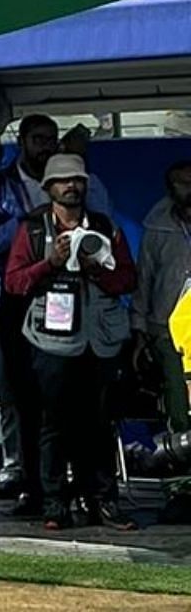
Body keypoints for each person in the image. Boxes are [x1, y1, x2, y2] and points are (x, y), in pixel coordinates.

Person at [0, 115, 113, 507]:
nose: (45, 145)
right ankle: (24, 472)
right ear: (22, 141)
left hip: (73, 304)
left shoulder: (80, 182)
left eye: (51, 139)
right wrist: (28, 220)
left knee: (72, 398)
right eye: (37, 139)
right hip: (12, 299)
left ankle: (76, 483)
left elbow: (102, 229)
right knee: (19, 394)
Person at [2, 153, 138, 531]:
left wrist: (99, 272)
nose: (71, 186)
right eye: (62, 181)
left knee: (101, 423)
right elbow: (14, 282)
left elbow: (129, 278)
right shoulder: (31, 229)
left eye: (77, 179)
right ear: (48, 188)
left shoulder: (106, 226)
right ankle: (55, 504)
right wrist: (51, 262)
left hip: (102, 340)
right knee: (53, 425)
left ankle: (104, 501)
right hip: (52, 341)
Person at [136, 161, 191, 434]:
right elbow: (144, 279)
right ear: (171, 189)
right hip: (167, 326)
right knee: (177, 396)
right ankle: (184, 456)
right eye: (183, 183)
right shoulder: (157, 228)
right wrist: (140, 328)